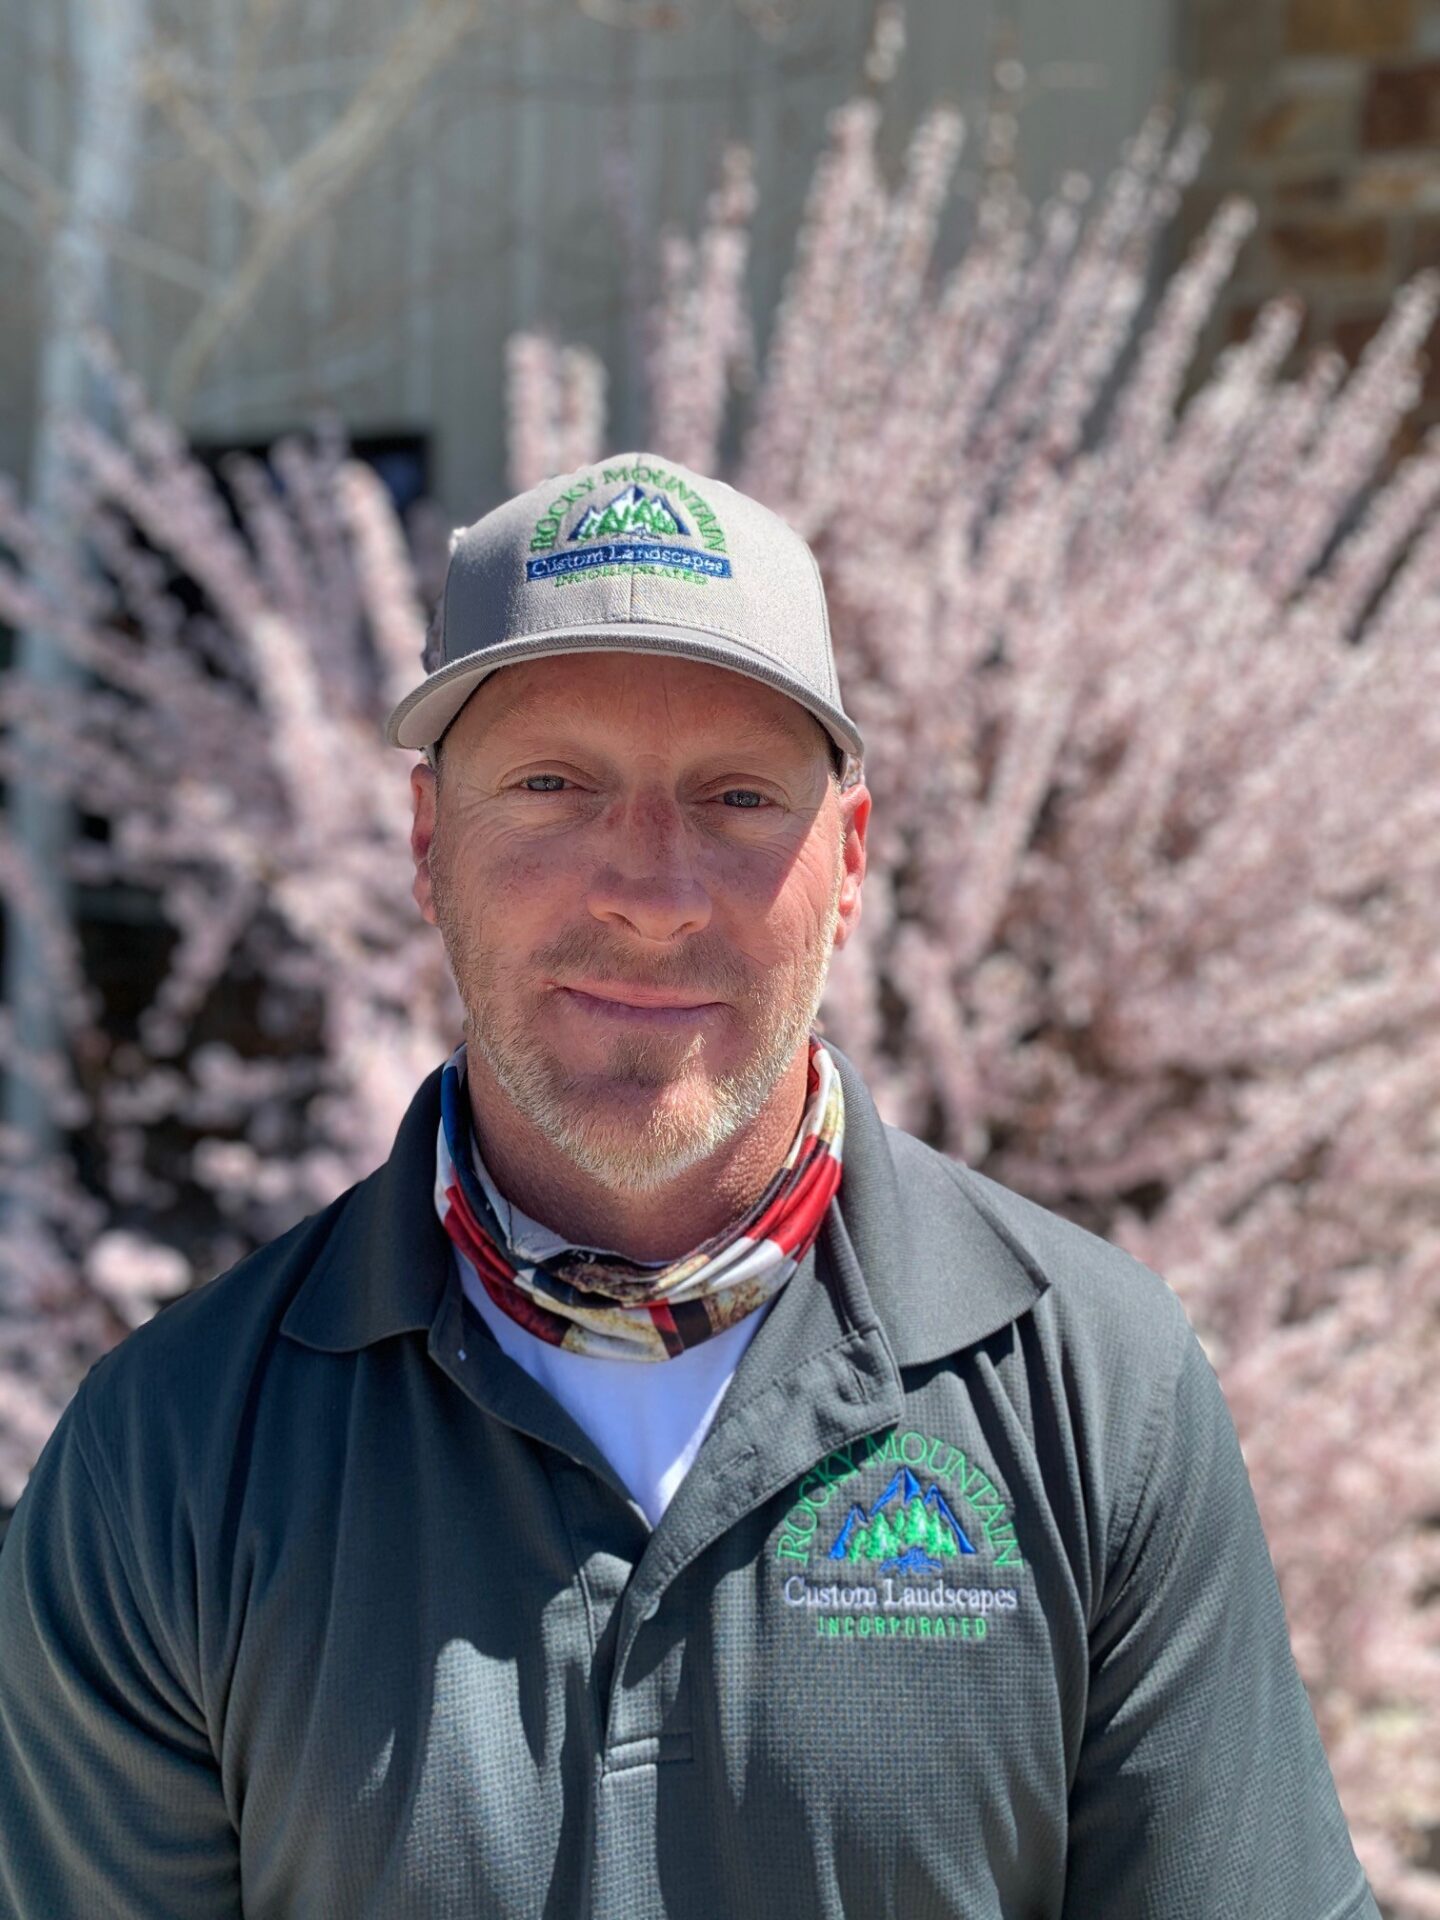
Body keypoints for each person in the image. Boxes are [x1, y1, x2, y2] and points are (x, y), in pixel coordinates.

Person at [0, 453, 1381, 1920]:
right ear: (426, 845)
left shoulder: (1097, 1390)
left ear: (847, 862)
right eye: (551, 786)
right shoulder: (168, 1462)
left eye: (734, 797)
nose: (650, 892)